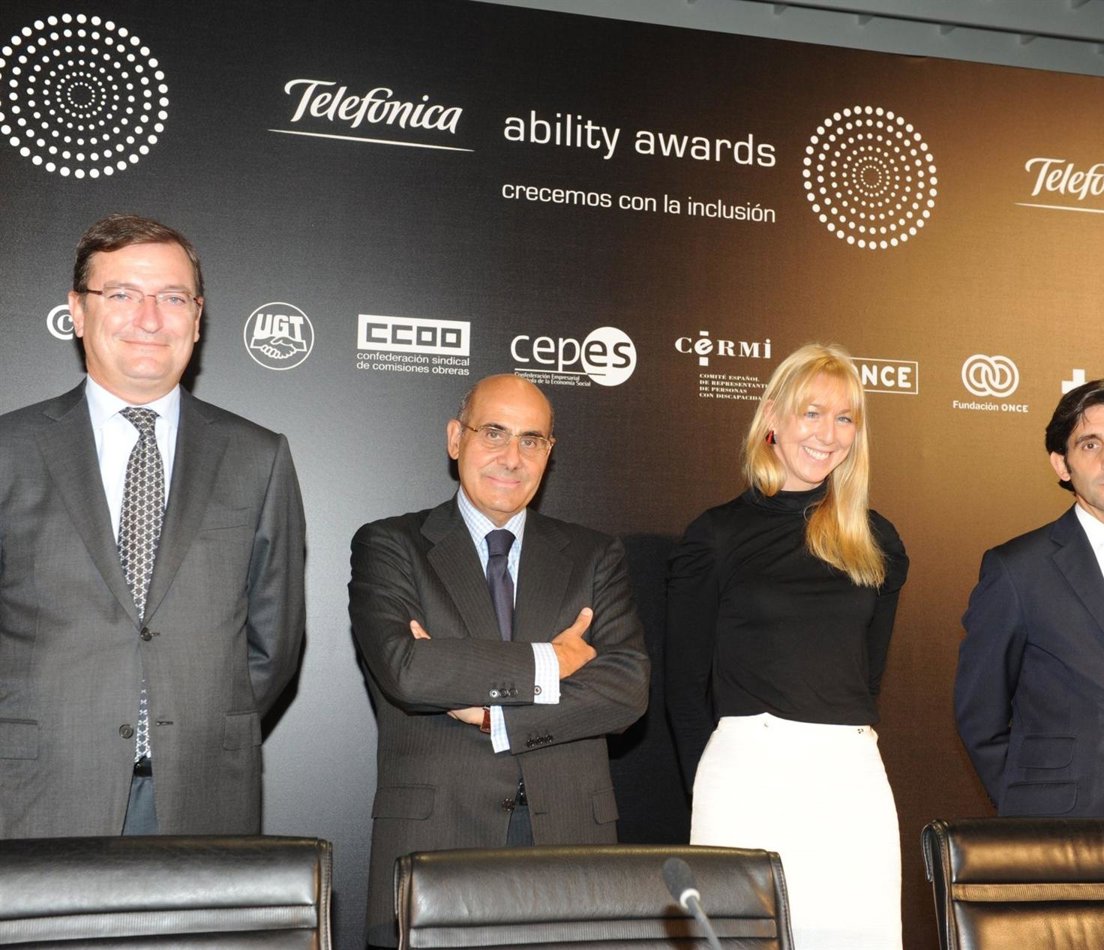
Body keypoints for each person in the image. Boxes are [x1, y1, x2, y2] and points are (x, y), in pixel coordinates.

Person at [0, 213, 306, 838]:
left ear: (198, 317)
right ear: (77, 311)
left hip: (204, 794)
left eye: (172, 297)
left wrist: (202, 723)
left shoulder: (258, 456)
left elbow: (273, 641)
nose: (149, 319)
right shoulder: (10, 448)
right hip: (35, 792)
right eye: (122, 295)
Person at [349, 373, 650, 948]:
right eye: (493, 432)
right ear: (455, 438)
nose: (512, 457)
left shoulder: (593, 555)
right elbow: (409, 670)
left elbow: (624, 689)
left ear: (549, 453)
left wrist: (495, 716)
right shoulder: (391, 545)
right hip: (437, 838)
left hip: (569, 840)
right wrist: (551, 661)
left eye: (531, 440)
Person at [666, 342, 909, 949]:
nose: (828, 434)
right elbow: (683, 686)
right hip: (746, 776)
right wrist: (712, 784)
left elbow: (866, 674)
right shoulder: (717, 535)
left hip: (851, 778)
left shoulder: (877, 539)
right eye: (812, 412)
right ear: (772, 417)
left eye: (845, 417)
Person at [956, 378, 1104, 817]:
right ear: (1061, 464)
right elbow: (980, 714)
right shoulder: (1017, 570)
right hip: (1066, 828)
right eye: (1090, 445)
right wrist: (1028, 804)